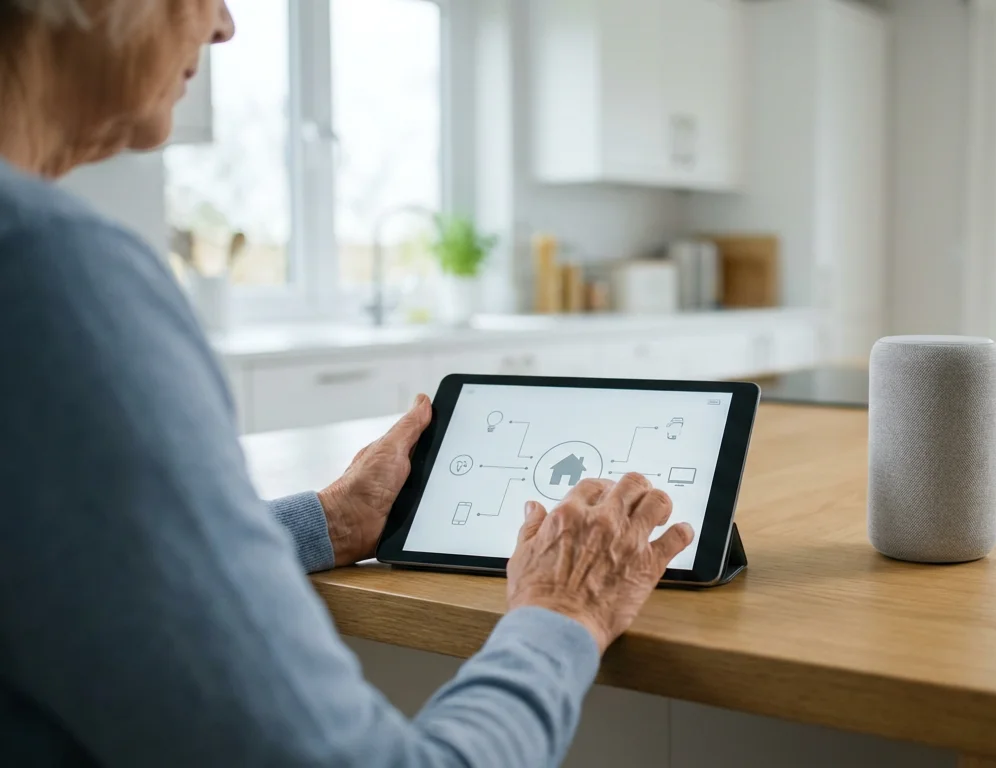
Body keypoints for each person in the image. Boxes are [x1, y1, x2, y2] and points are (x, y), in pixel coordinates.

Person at [0, 1, 695, 765]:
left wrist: (326, 520)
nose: (224, 24)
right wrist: (566, 611)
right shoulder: (46, 272)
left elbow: (87, 571)